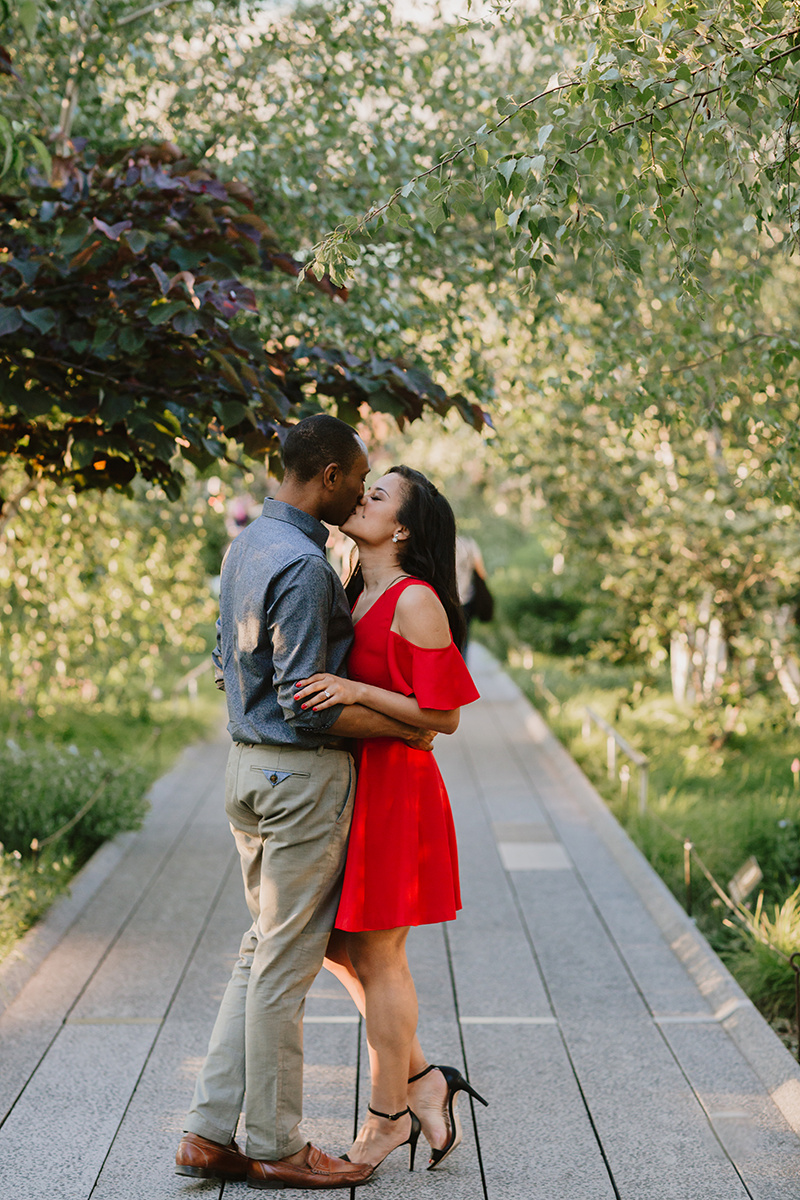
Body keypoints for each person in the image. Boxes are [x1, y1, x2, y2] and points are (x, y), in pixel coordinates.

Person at [175, 417, 436, 1192]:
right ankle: (277, 1143)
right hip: (297, 778)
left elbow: (230, 665)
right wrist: (405, 720)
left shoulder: (247, 545)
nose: (361, 493)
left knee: (261, 953)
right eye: (358, 480)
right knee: (283, 969)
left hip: (247, 773)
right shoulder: (308, 566)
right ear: (328, 476)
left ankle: (207, 1131)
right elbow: (308, 706)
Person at [294, 465, 488, 1175]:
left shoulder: (416, 601)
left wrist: (352, 688)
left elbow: (444, 717)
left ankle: (385, 1120)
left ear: (402, 528)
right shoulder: (356, 586)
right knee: (338, 948)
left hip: (398, 796)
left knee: (378, 957)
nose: (360, 497)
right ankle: (426, 1080)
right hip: (360, 786)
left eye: (377, 496)